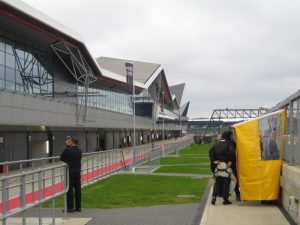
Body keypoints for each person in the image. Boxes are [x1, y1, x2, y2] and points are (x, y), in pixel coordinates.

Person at [209, 131, 234, 205]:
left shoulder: (216, 144)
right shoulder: (229, 144)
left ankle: (214, 198)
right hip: (225, 165)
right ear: (228, 136)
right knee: (227, 182)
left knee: (217, 182)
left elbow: (210, 152)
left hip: (218, 165)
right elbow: (232, 152)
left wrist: (214, 161)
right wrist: (230, 161)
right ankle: (225, 199)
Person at [60, 137, 82, 213]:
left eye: (69, 141)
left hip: (69, 172)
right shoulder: (79, 150)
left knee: (69, 190)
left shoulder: (67, 150)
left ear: (72, 142)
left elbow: (62, 158)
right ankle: (78, 207)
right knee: (78, 190)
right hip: (77, 172)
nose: (67, 142)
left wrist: (67, 146)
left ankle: (70, 207)